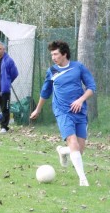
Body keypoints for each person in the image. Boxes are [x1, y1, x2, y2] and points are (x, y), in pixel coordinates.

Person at [30, 40, 96, 187]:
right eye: (52, 54)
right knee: (73, 142)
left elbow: (91, 87)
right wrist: (38, 109)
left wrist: (81, 100)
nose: (53, 57)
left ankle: (63, 151)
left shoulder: (78, 67)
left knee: (79, 149)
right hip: (62, 111)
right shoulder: (52, 71)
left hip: (79, 112)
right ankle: (83, 179)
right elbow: (45, 92)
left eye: (55, 54)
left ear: (64, 54)